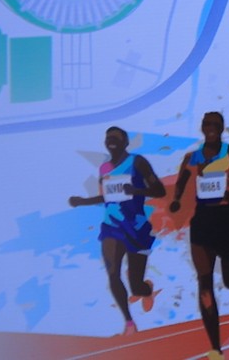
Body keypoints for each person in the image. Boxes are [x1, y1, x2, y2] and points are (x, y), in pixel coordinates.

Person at [168, 109, 229, 354]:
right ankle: (215, 348)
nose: (211, 128)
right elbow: (180, 183)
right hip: (202, 221)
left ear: (222, 128)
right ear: (202, 128)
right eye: (207, 124)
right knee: (204, 283)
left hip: (228, 220)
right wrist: (176, 200)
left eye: (215, 124)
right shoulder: (192, 157)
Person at [70, 125, 164, 332]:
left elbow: (160, 190)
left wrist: (136, 190)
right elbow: (107, 196)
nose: (111, 141)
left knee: (136, 287)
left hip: (136, 227)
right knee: (113, 274)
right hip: (112, 226)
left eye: (115, 137)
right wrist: (82, 201)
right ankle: (129, 322)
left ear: (125, 142)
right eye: (108, 138)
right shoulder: (104, 168)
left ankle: (146, 289)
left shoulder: (138, 162)